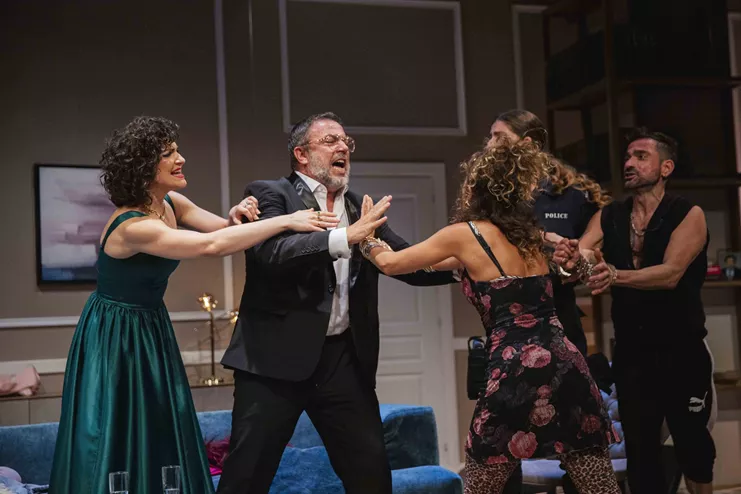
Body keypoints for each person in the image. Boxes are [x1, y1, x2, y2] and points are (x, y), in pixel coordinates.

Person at [49, 116, 341, 494]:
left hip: (150, 325)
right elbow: (210, 247)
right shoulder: (132, 227)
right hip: (116, 333)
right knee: (115, 423)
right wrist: (288, 220)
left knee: (157, 417)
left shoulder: (170, 202)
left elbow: (223, 231)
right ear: (144, 167)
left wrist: (235, 217)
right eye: (169, 154)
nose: (180, 158)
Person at [361, 140, 621, 494]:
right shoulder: (529, 237)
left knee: (481, 485)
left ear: (478, 189)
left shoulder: (465, 236)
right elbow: (429, 265)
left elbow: (392, 264)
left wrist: (366, 236)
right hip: (566, 364)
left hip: (514, 371)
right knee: (598, 486)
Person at [216, 112, 456, 494]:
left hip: (342, 360)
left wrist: (467, 266)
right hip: (272, 362)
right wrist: (346, 237)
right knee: (246, 476)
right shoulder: (270, 193)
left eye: (346, 141)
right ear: (301, 154)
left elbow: (404, 260)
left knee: (370, 474)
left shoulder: (360, 206)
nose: (343, 146)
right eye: (330, 140)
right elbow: (271, 254)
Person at [554, 127, 717, 494]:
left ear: (666, 167)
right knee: (641, 455)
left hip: (682, 351)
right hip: (632, 355)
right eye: (628, 156)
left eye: (641, 156)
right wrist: (569, 260)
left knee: (693, 448)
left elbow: (671, 274)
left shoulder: (687, 213)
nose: (629, 163)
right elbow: (583, 254)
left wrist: (614, 275)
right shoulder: (611, 215)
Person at [488, 109, 612, 357]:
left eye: (498, 137)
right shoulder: (493, 195)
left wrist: (577, 258)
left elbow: (593, 251)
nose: (489, 145)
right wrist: (545, 238)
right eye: (490, 136)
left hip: (560, 322)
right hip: (507, 326)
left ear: (526, 144)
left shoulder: (570, 195)